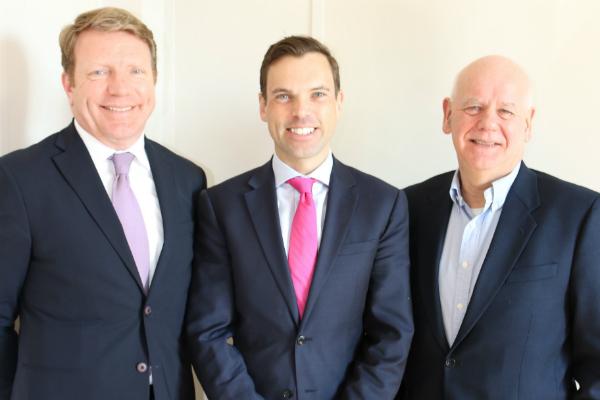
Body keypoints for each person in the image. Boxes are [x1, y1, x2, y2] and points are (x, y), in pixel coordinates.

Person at [186, 35, 413, 399]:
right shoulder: (221, 206)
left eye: (317, 94)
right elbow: (208, 331)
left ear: (339, 102)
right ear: (263, 106)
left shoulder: (383, 205)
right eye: (283, 96)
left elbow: (391, 334)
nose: (300, 111)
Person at [0, 7, 205, 400]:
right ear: (68, 84)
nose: (119, 89)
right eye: (99, 72)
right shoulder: (19, 179)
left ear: (154, 80)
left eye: (135, 71)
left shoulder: (188, 179)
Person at [398, 55, 600, 399]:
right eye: (473, 107)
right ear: (448, 115)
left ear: (528, 124)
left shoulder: (579, 215)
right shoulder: (407, 208)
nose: (488, 123)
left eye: (506, 111)